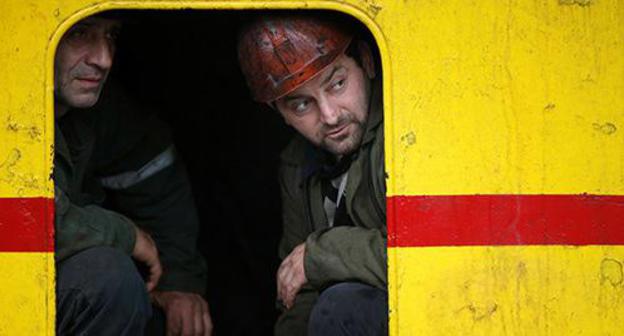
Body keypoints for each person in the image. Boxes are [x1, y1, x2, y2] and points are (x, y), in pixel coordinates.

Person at [54, 13, 212, 335]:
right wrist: (127, 236)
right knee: (109, 280)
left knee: (149, 308)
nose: (104, 59)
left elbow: (155, 179)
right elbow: (18, 221)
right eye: (80, 33)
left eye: (111, 36)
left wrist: (176, 282)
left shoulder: (98, 108)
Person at [238, 14, 387, 336]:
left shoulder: (407, 138)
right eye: (302, 105)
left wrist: (323, 253)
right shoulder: (296, 165)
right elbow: (297, 288)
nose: (331, 116)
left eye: (337, 84)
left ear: (366, 62)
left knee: (345, 306)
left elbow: (432, 257)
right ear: (279, 113)